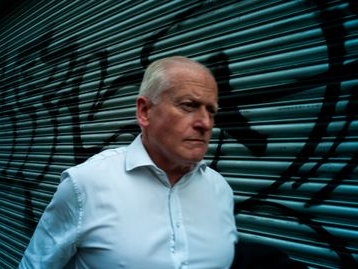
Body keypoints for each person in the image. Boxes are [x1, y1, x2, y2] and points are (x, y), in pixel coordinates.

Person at [19, 56, 238, 268]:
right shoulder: (86, 184)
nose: (206, 123)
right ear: (144, 111)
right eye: (189, 105)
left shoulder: (220, 190)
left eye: (211, 111)